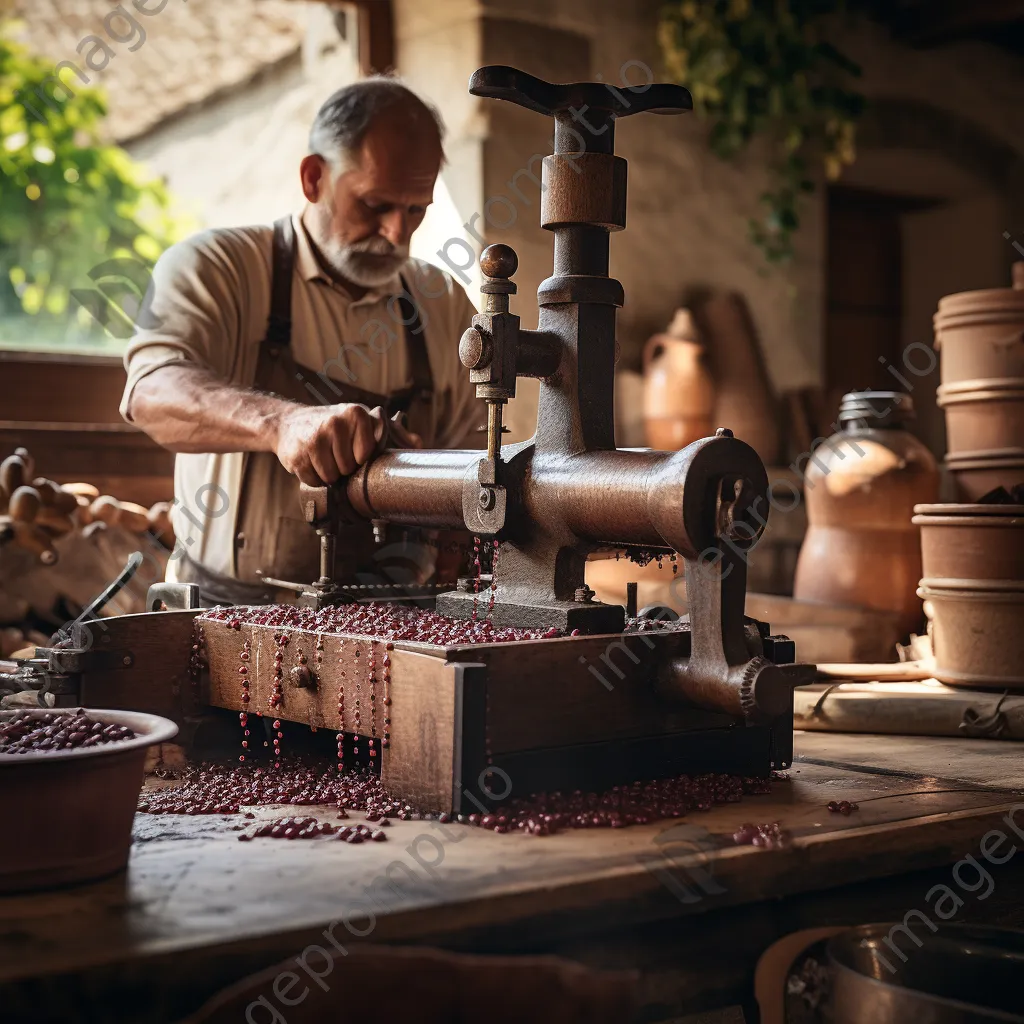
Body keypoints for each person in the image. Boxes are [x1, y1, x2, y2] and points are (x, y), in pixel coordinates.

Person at [120, 78, 483, 604]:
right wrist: (283, 423)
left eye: (415, 210)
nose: (396, 235)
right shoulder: (220, 267)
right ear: (314, 177)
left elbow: (475, 459)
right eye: (375, 204)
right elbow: (151, 393)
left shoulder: (442, 302)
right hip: (229, 618)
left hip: (397, 623)